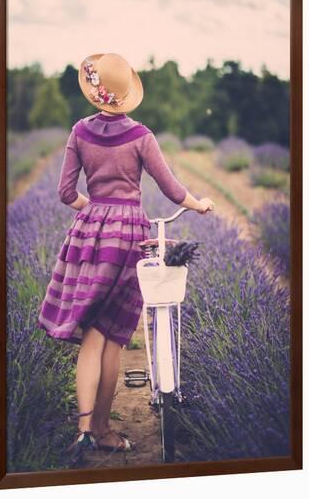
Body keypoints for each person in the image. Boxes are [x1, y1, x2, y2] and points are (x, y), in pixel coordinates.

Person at [37, 53, 214, 461]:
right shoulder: (141, 136)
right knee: (113, 336)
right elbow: (171, 189)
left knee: (90, 336)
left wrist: (95, 211)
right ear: (126, 95)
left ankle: (85, 429)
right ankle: (101, 429)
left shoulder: (79, 131)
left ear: (96, 93)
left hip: (89, 236)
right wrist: (200, 204)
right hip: (129, 235)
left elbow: (66, 194)